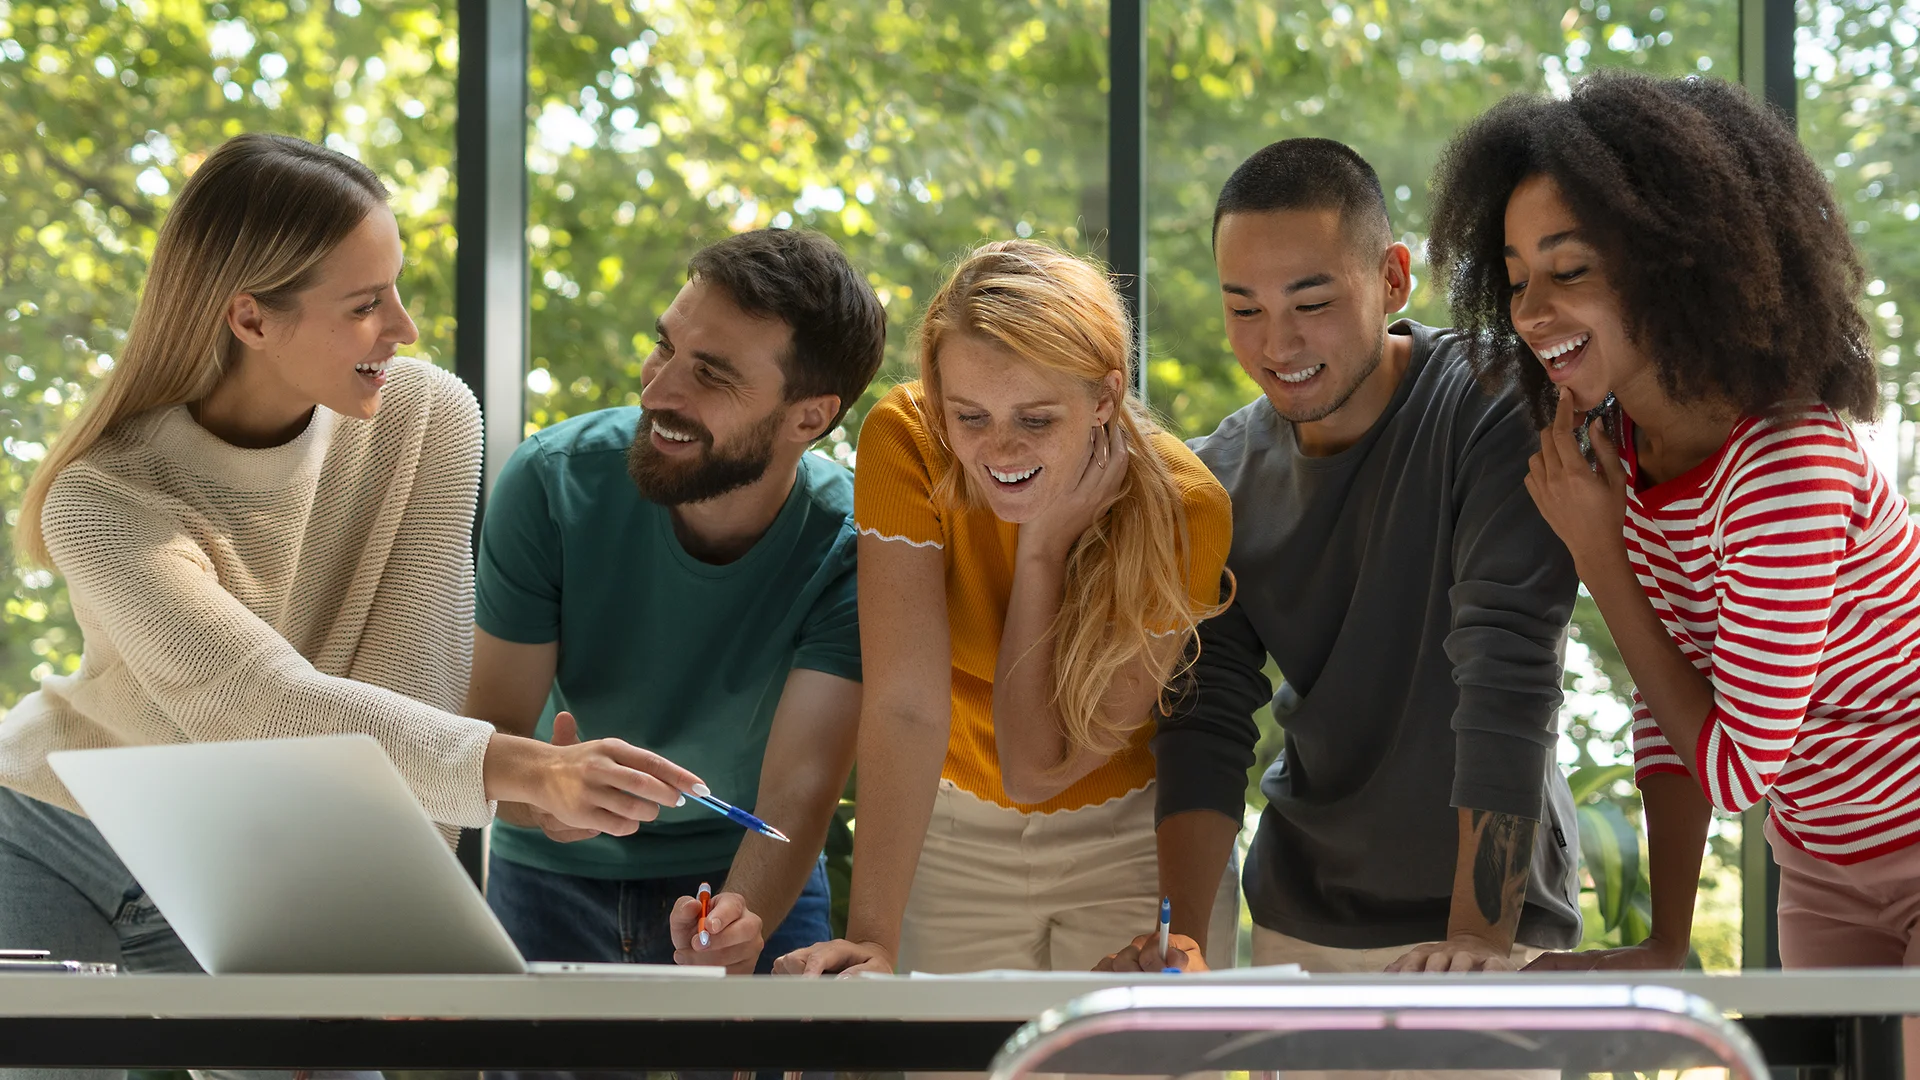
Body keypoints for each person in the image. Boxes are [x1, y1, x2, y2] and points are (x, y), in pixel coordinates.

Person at [0, 134, 700, 1080]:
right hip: (55, 831)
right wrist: (528, 770)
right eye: (367, 305)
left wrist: (388, 942)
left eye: (397, 291)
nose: (404, 328)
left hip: (252, 869)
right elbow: (261, 701)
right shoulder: (104, 498)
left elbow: (407, 683)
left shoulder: (425, 419)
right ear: (250, 318)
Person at [1427, 69, 1920, 1035]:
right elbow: (1672, 717)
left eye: (1570, 271)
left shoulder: (1787, 463)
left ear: (1676, 264)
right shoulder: (1630, 457)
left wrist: (1600, 554)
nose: (1531, 312)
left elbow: (1738, 767)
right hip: (1821, 861)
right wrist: (1667, 940)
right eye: (1518, 278)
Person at [1100, 139, 1582, 978]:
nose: (1277, 344)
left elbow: (1508, 672)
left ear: (1393, 279)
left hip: (1493, 923)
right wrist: (1181, 936)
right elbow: (1206, 719)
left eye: (1310, 301)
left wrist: (1475, 938)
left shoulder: (1495, 404)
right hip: (1304, 922)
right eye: (1243, 309)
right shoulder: (1215, 479)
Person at [771, 239, 1237, 976]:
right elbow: (905, 704)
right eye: (970, 415)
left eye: (1037, 419)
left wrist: (1042, 550)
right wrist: (874, 940)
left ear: (1106, 401)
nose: (999, 448)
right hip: (948, 828)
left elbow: (1036, 766)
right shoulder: (907, 440)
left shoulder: (1187, 509)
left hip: (1124, 838)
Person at [466, 228, 885, 975]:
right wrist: (546, 796)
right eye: (664, 348)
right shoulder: (548, 485)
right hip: (547, 874)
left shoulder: (854, 542)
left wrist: (737, 919)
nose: (657, 392)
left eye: (712, 375)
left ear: (809, 418)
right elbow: (490, 735)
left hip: (748, 870)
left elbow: (801, 787)